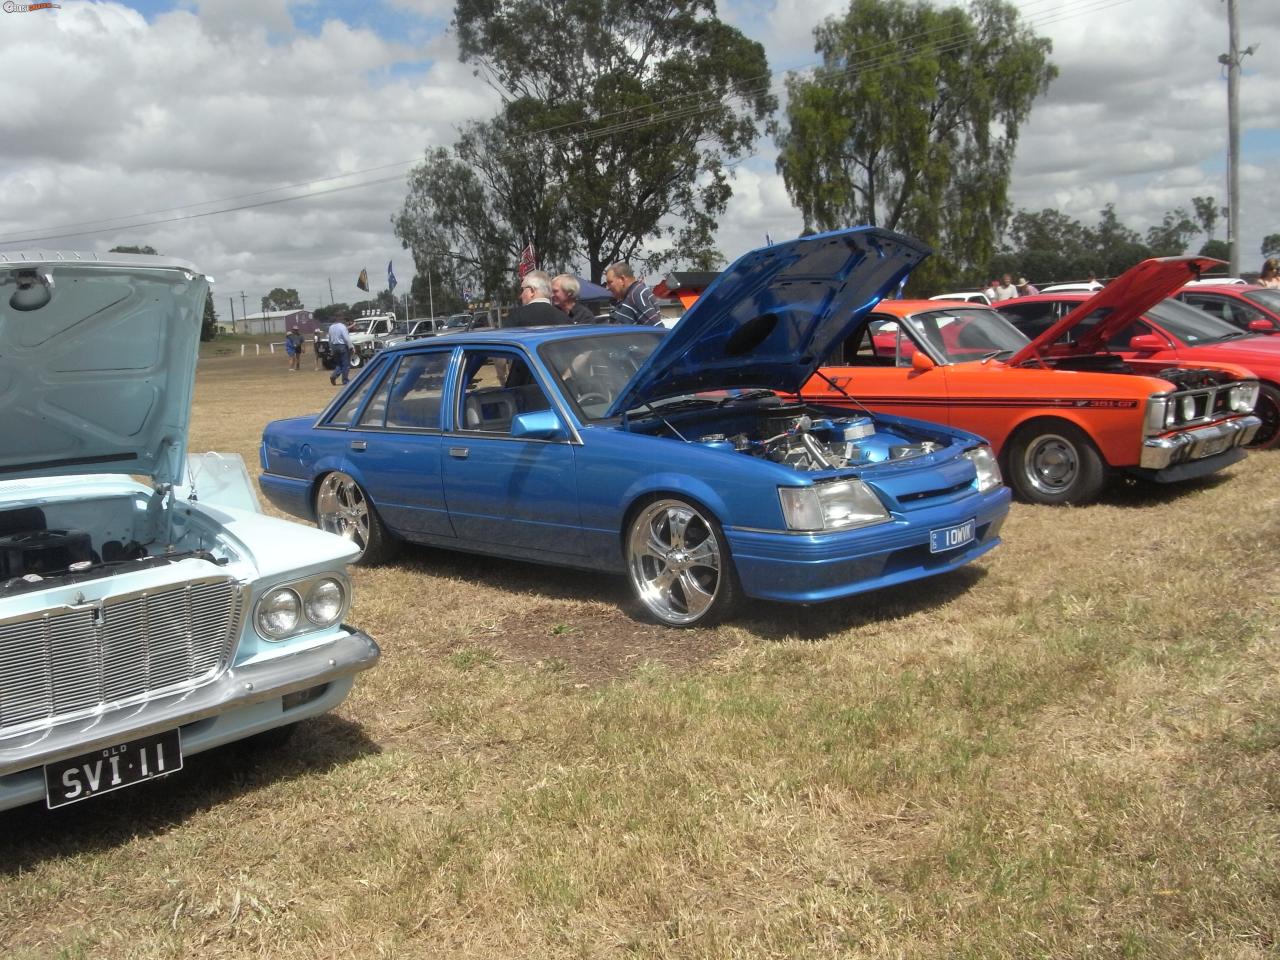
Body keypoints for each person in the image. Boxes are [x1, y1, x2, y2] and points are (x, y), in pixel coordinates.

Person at [327, 317, 353, 385]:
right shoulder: (342, 327)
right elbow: (346, 338)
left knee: (339, 364)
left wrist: (331, 348)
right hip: (342, 346)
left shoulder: (331, 327)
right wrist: (351, 347)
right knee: (345, 364)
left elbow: (329, 339)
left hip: (334, 346)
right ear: (341, 320)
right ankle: (345, 380)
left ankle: (334, 375)